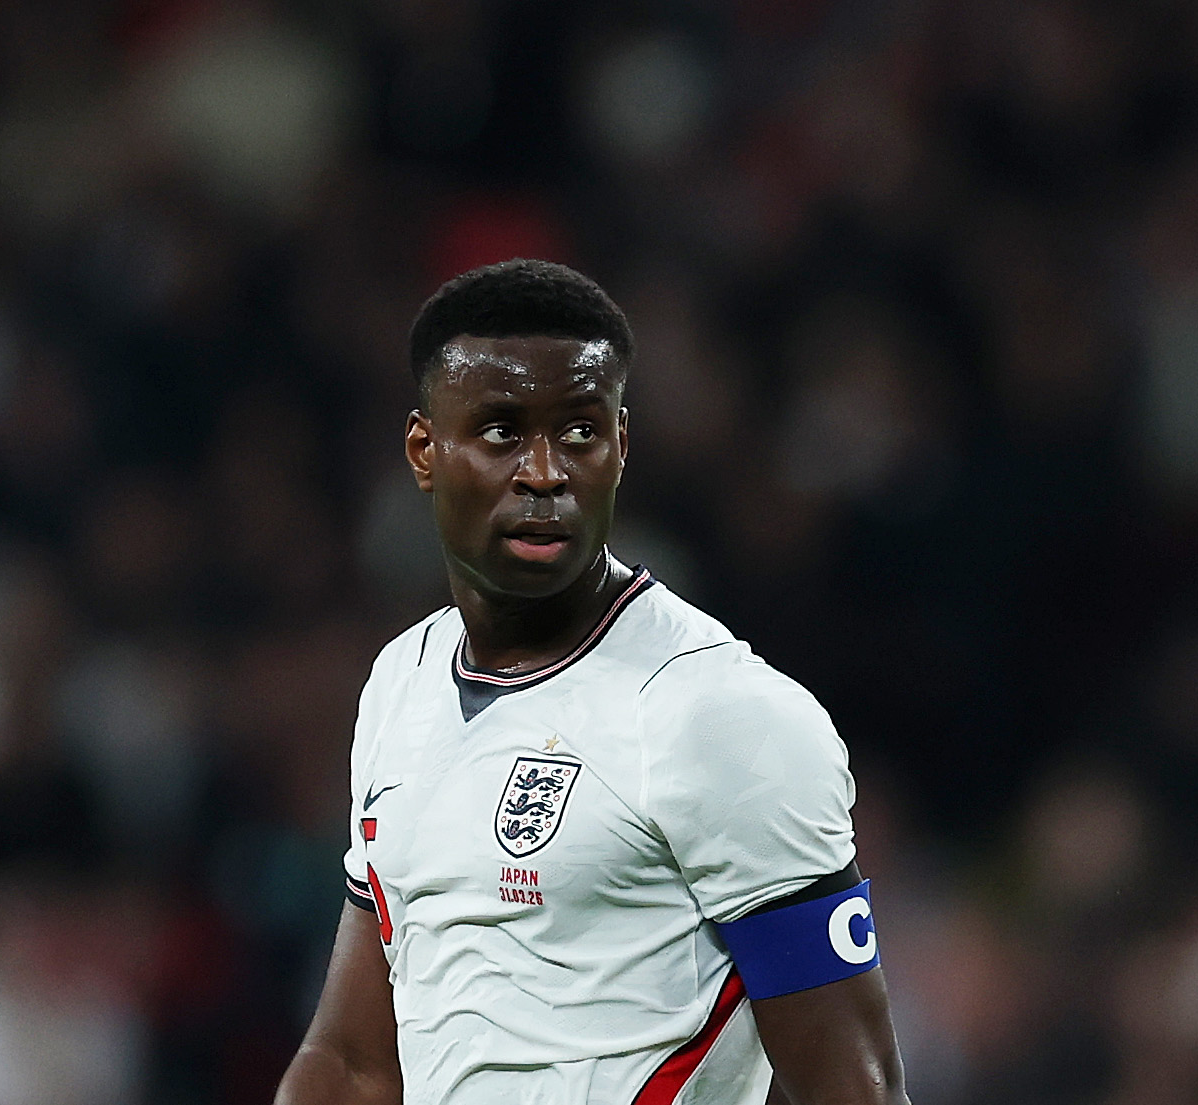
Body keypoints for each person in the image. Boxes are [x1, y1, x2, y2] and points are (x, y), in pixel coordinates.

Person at [274, 259, 908, 1105]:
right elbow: (353, 1063)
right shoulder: (402, 683)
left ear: (620, 446)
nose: (544, 471)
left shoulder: (716, 713)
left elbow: (852, 1090)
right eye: (501, 432)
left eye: (578, 431)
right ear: (424, 451)